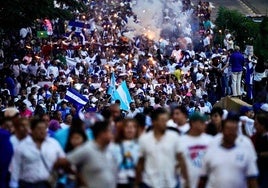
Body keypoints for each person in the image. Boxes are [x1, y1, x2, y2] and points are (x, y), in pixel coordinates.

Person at [198, 113, 258, 188]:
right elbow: (203, 176)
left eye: (233, 130)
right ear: (222, 129)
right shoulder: (213, 143)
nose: (231, 133)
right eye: (228, 129)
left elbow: (252, 177)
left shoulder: (246, 144)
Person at [135, 108, 189, 188]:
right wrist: (136, 183)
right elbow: (140, 163)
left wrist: (186, 181)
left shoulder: (174, 137)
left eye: (166, 120)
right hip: (149, 183)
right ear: (154, 122)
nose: (165, 123)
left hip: (170, 183)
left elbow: (181, 159)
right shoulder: (144, 139)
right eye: (162, 120)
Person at [54, 121, 117, 188]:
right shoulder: (87, 149)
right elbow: (61, 162)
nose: (112, 134)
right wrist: (77, 175)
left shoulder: (110, 149)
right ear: (101, 133)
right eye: (110, 131)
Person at [10, 118, 65, 188]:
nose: (42, 131)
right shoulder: (22, 146)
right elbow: (16, 167)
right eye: (39, 129)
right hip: (27, 184)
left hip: (48, 184)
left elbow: (62, 160)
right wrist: (13, 184)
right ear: (32, 130)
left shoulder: (53, 144)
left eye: (44, 128)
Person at [179, 112, 213, 188]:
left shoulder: (210, 140)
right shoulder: (181, 141)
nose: (205, 124)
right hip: (186, 184)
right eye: (202, 122)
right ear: (193, 123)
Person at [114, 118, 139, 188]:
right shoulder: (115, 146)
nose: (130, 130)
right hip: (119, 181)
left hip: (135, 181)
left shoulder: (140, 145)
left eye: (133, 127)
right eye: (127, 127)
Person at [251, 112, 268, 188]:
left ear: (263, 125)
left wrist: (259, 154)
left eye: (256, 123)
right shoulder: (258, 136)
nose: (254, 125)